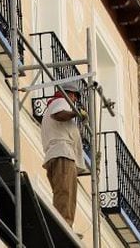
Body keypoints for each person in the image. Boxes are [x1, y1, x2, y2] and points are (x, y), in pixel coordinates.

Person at [41, 81, 87, 227]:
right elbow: (59, 115)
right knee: (65, 194)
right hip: (62, 154)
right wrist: (76, 113)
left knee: (64, 194)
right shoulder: (61, 101)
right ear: (71, 94)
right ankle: (63, 225)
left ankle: (64, 224)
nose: (75, 101)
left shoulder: (54, 105)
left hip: (59, 154)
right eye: (75, 98)